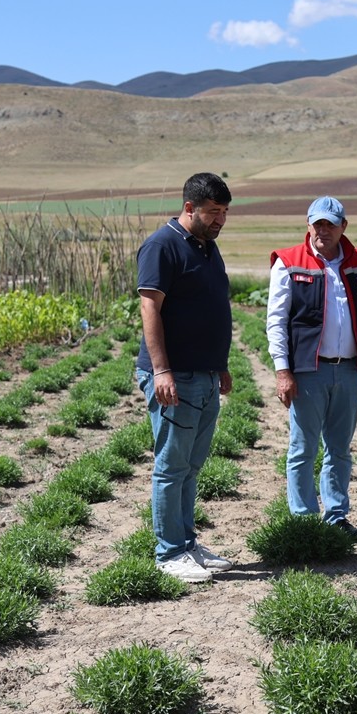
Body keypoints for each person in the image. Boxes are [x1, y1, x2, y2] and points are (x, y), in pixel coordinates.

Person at [134, 172, 235, 583]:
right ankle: (168, 552)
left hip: (205, 374)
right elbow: (150, 309)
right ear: (189, 208)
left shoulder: (208, 249)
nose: (220, 221)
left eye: (225, 213)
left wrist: (221, 365)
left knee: (192, 465)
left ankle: (187, 544)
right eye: (213, 212)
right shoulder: (162, 245)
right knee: (171, 465)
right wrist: (161, 370)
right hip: (175, 375)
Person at [266, 196, 357, 540]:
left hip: (348, 370)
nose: (323, 230)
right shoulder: (288, 262)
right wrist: (282, 371)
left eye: (330, 224)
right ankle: (303, 521)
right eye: (317, 224)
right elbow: (276, 322)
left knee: (340, 448)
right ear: (308, 226)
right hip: (307, 371)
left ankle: (336, 517)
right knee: (303, 448)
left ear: (343, 227)